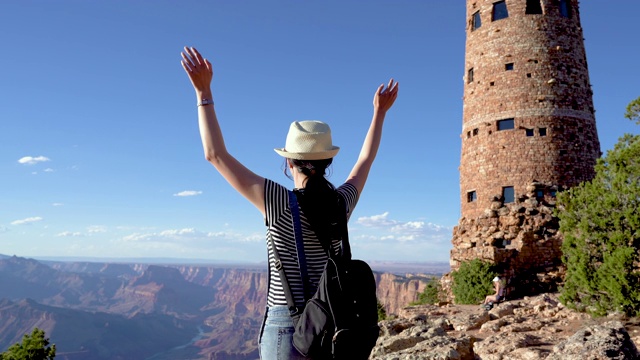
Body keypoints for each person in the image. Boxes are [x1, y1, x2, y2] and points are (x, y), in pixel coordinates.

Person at [180, 46, 398, 360]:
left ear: (288, 164)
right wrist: (379, 113)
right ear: (327, 163)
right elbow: (366, 160)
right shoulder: (341, 202)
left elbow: (215, 155)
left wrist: (204, 92)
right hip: (331, 322)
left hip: (288, 325)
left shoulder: (277, 201)